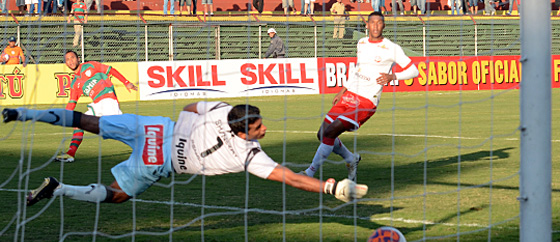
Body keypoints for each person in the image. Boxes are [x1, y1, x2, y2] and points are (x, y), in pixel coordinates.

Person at [2, 102, 368, 206]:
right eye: (258, 128)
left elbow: (192, 106)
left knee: (88, 121)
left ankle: (24, 113)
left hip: (155, 128)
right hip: (159, 160)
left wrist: (183, 132)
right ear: (242, 131)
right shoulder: (249, 156)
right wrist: (328, 189)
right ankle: (61, 189)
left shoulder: (223, 108)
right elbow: (288, 177)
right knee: (116, 196)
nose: (264, 130)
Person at [301, 12, 419, 180]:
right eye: (372, 23)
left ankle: (309, 173)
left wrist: (393, 77)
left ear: (384, 26)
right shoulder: (362, 43)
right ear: (367, 25)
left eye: (379, 23)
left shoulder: (391, 48)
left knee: (331, 132)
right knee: (322, 133)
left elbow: (414, 70)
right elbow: (358, 69)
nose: (376, 26)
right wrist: (343, 89)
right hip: (350, 95)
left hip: (366, 101)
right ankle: (351, 158)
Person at [55, 50, 137, 163]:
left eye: (72, 58)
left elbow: (110, 70)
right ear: (66, 64)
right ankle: (70, 154)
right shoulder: (75, 83)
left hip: (108, 101)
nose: (70, 61)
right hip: (98, 105)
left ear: (78, 59)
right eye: (67, 60)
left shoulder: (90, 66)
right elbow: (72, 101)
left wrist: (126, 82)